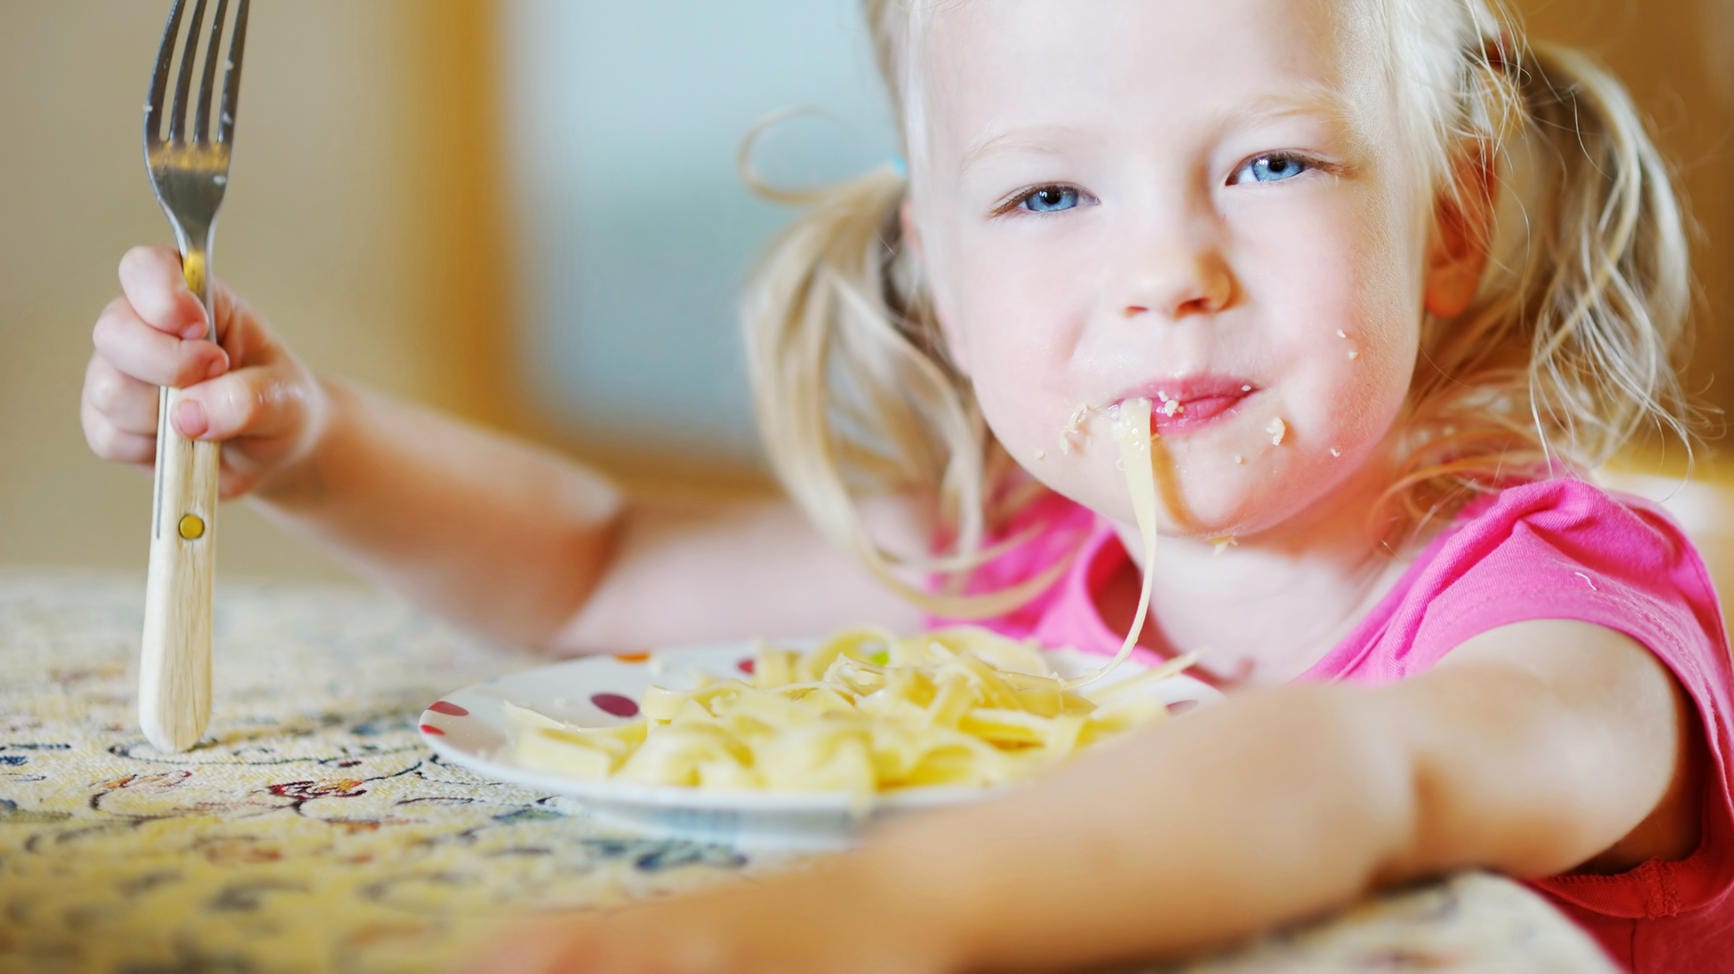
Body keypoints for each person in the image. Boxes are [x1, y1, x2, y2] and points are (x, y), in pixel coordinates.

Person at [81, 0, 1731, 970]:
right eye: (1045, 197)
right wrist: (307, 441)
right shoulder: (1022, 570)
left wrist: (839, 925)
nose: (1165, 268)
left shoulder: (1559, 632)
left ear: (1446, 216)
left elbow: (1352, 769)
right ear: (934, 269)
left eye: (1270, 162)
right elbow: (594, 569)